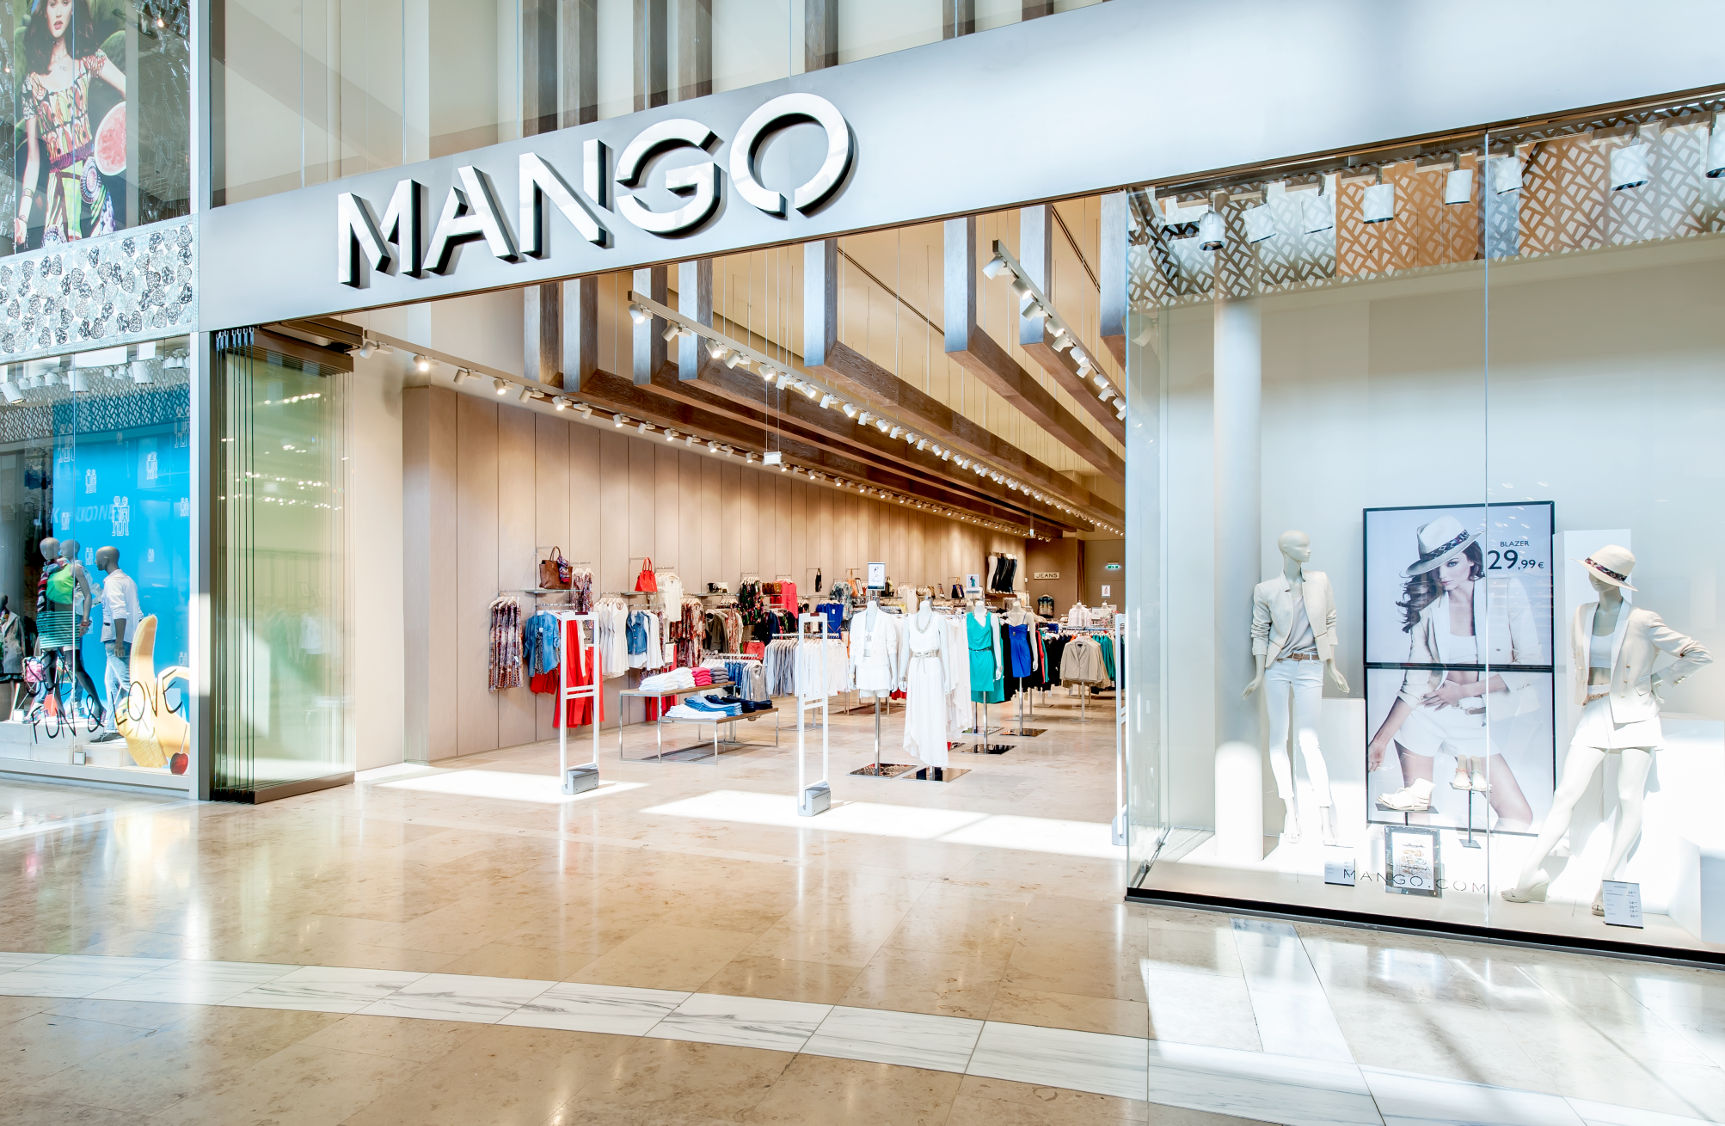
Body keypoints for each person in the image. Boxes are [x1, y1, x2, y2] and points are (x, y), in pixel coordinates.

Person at [1367, 515, 1542, 829]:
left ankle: (1493, 865)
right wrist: (1380, 739)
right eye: (1434, 566)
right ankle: (1414, 863)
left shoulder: (1504, 592)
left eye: (1451, 563)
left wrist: (1464, 691)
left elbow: (1531, 664)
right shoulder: (1429, 610)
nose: (1441, 574)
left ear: (1472, 560)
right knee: (1417, 813)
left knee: (1517, 815)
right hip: (1425, 714)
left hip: (1473, 715)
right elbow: (1414, 682)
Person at [14, 0, 126, 248]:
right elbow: (33, 158)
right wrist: (22, 217)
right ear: (43, 11)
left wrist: (116, 141)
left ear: (73, 8)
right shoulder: (31, 84)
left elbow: (130, 90)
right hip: (58, 192)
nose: (58, 12)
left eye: (65, 3)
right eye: (52, 4)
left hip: (92, 181)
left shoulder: (88, 59)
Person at [95, 545, 139, 735]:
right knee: (111, 682)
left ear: (106, 559)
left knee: (127, 683)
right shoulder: (128, 581)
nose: (95, 562)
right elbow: (137, 612)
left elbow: (119, 612)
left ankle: (146, 722)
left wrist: (119, 641)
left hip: (116, 640)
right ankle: (113, 727)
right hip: (123, 639)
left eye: (98, 558)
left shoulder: (114, 582)